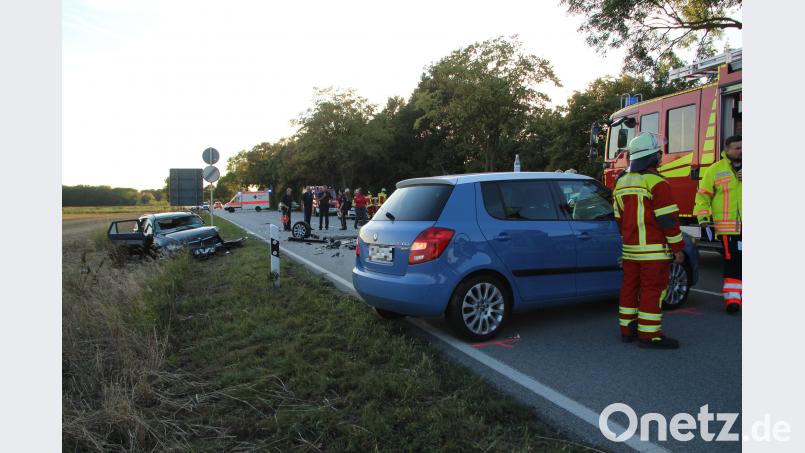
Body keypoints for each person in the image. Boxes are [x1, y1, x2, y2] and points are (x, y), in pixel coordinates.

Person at [613, 132, 685, 349]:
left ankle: (628, 330)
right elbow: (668, 220)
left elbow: (618, 218)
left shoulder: (621, 182)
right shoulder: (657, 182)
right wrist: (678, 248)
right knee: (652, 290)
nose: (661, 156)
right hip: (654, 251)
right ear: (652, 157)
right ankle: (649, 335)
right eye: (659, 153)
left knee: (629, 288)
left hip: (630, 249)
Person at [694, 135, 742, 313]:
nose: (741, 151)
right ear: (727, 150)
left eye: (743, 147)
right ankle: (733, 301)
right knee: (734, 264)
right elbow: (703, 196)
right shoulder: (715, 169)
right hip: (729, 229)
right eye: (737, 148)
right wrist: (704, 220)